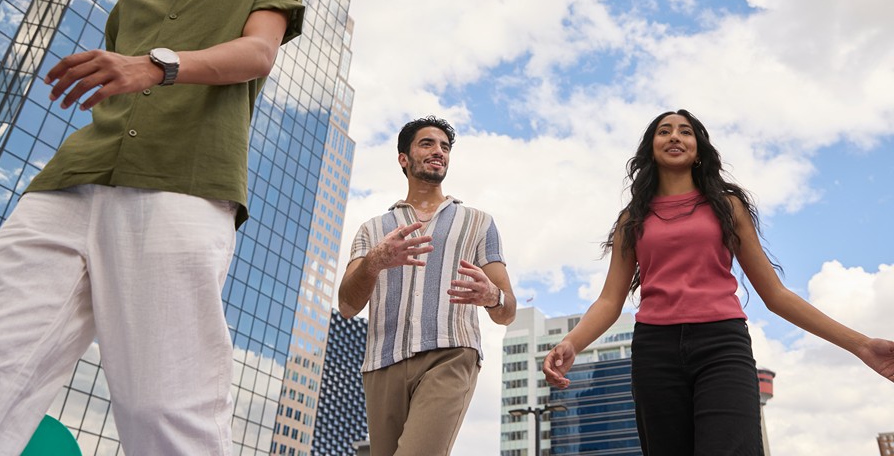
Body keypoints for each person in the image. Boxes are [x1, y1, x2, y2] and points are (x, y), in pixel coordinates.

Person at [0, 0, 305, 456]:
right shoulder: (133, 4)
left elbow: (257, 55)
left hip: (181, 185)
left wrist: (154, 65)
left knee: (164, 403)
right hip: (69, 183)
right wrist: (130, 70)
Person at [543, 109, 894, 456]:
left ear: (699, 148)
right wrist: (573, 343)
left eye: (685, 131)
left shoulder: (727, 207)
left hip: (722, 345)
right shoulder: (632, 219)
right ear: (651, 147)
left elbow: (775, 294)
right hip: (655, 351)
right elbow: (609, 301)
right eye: (664, 131)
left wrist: (860, 345)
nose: (675, 137)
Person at [338, 116, 516, 456]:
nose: (439, 152)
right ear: (403, 158)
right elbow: (347, 305)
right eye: (427, 144)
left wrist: (492, 296)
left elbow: (507, 312)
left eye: (445, 147)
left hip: (450, 353)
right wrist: (375, 261)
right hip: (381, 363)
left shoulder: (478, 222)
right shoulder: (372, 231)